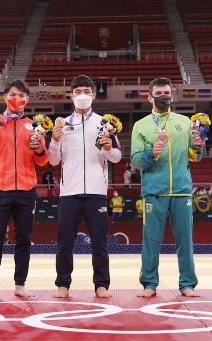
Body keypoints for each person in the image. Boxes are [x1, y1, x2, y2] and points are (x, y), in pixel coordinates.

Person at [0, 79, 48, 299]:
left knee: (24, 238)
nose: (18, 99)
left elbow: (42, 162)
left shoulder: (34, 126)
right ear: (5, 96)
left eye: (23, 96)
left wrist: (40, 151)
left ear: (27, 99)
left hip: (26, 191)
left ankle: (20, 285)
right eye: (14, 94)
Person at [48, 75, 122, 298]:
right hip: (69, 192)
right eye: (78, 91)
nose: (82, 95)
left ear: (93, 95)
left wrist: (109, 148)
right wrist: (55, 140)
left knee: (100, 242)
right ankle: (63, 283)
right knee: (64, 242)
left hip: (96, 192)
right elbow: (53, 161)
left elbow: (117, 157)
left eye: (86, 91)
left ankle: (102, 284)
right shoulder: (62, 124)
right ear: (71, 95)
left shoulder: (105, 124)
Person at [130, 77, 205, 298]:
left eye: (167, 93)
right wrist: (151, 153)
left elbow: (194, 155)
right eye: (159, 93)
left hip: (181, 190)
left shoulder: (184, 122)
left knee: (185, 239)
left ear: (172, 95)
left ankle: (187, 284)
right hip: (154, 191)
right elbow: (136, 160)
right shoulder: (141, 126)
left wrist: (199, 147)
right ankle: (150, 283)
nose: (163, 96)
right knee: (151, 240)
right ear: (149, 96)